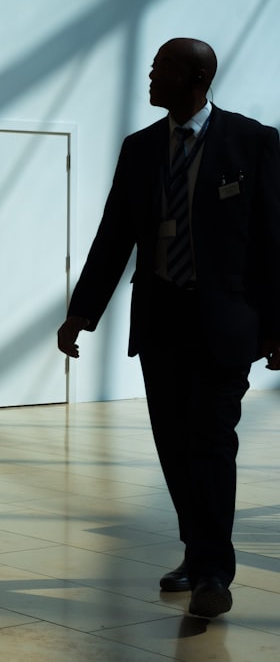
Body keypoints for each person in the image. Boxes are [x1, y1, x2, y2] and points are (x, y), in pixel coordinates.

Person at [57, 38, 280, 619]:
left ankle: (214, 573)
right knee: (175, 449)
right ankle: (196, 552)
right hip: (160, 322)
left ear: (197, 78)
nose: (150, 77)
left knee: (211, 443)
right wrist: (82, 311)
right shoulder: (141, 148)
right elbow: (115, 235)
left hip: (225, 325)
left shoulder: (253, 142)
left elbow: (276, 241)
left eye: (162, 69)